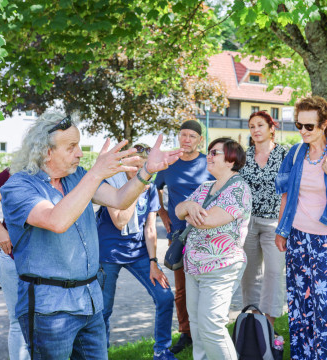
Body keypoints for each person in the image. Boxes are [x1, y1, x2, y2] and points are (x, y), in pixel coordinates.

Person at [1, 112, 183, 360]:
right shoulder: (18, 186)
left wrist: (146, 172)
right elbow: (56, 220)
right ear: (46, 151)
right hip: (49, 309)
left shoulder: (77, 176)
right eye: (71, 147)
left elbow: (120, 199)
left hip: (89, 300)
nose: (79, 153)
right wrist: (96, 173)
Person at [275, 96, 327, 360]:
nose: (302, 131)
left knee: (326, 308)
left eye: (309, 127)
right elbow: (287, 194)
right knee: (300, 304)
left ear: (324, 125)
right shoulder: (295, 153)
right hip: (299, 237)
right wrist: (282, 229)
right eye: (298, 125)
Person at [96, 143, 176, 360]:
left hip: (138, 252)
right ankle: (100, 354)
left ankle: (162, 350)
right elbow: (120, 221)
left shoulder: (149, 188)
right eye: (134, 165)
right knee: (103, 311)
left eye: (142, 167)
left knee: (165, 297)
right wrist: (135, 186)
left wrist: (153, 262)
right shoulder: (110, 183)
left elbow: (150, 227)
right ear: (125, 162)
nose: (137, 171)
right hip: (107, 254)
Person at [175, 138, 252, 360]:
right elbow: (179, 210)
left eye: (215, 153)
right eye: (209, 152)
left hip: (221, 267)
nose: (208, 156)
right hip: (194, 267)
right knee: (198, 329)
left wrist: (190, 212)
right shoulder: (205, 187)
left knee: (212, 327)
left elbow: (207, 220)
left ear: (231, 160)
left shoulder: (239, 189)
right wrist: (189, 207)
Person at [154, 120, 213, 354]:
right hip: (178, 233)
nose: (186, 139)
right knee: (181, 288)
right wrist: (162, 214)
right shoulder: (169, 164)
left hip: (206, 231)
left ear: (199, 139)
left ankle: (206, 329)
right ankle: (186, 333)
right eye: (183, 135)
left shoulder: (207, 163)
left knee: (205, 283)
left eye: (191, 136)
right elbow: (154, 188)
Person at [239, 110, 287, 326]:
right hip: (247, 223)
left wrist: (285, 225)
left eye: (260, 125)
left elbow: (291, 191)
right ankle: (254, 322)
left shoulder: (285, 155)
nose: (256, 130)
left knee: (275, 272)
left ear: (271, 128)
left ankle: (270, 324)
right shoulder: (244, 156)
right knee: (250, 275)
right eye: (252, 126)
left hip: (275, 223)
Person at [0, 168, 30, 360]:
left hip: (51, 264)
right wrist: (0, 231)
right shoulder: (13, 173)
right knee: (19, 322)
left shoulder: (65, 173)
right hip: (13, 258)